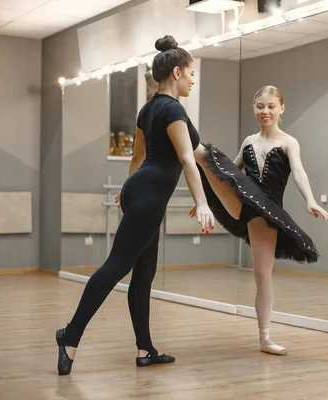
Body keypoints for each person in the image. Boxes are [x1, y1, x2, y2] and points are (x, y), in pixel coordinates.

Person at [56, 35, 215, 375]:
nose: (193, 79)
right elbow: (187, 159)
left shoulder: (148, 108)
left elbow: (138, 156)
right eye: (190, 73)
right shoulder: (173, 109)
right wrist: (201, 202)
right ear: (176, 72)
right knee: (116, 267)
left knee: (143, 275)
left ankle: (145, 349)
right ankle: (69, 336)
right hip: (148, 196)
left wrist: (128, 189)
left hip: (141, 191)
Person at [192, 85, 328, 355]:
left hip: (266, 211)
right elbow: (228, 174)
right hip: (243, 201)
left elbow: (299, 172)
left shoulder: (289, 142)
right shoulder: (248, 141)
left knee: (261, 276)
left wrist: (310, 200)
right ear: (254, 108)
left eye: (270, 106)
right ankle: (183, 136)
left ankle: (265, 338)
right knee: (210, 160)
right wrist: (204, 200)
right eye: (259, 107)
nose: (264, 111)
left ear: (281, 108)